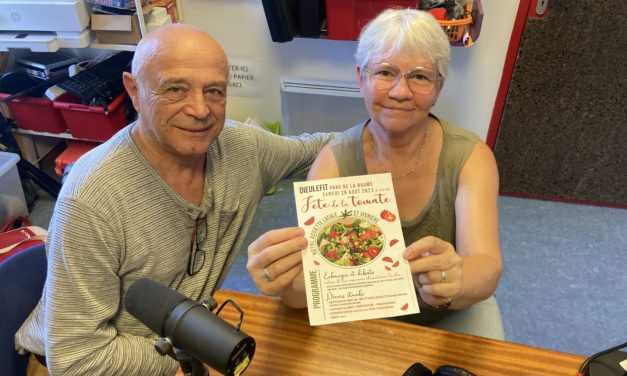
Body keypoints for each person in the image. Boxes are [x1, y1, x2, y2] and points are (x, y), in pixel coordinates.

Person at [14, 24, 331, 375]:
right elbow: (77, 358)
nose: (200, 110)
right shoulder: (91, 200)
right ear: (133, 91)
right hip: (95, 362)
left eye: (214, 91)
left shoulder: (242, 149)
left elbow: (321, 148)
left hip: (179, 332)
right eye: (175, 89)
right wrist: (187, 361)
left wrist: (394, 118)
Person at [247, 8, 504, 339]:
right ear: (360, 78)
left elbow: (486, 264)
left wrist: (458, 280)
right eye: (385, 72)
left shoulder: (470, 157)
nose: (400, 91)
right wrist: (281, 281)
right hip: (359, 314)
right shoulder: (333, 162)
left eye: (421, 76)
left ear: (439, 86)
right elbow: (311, 288)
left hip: (447, 313)